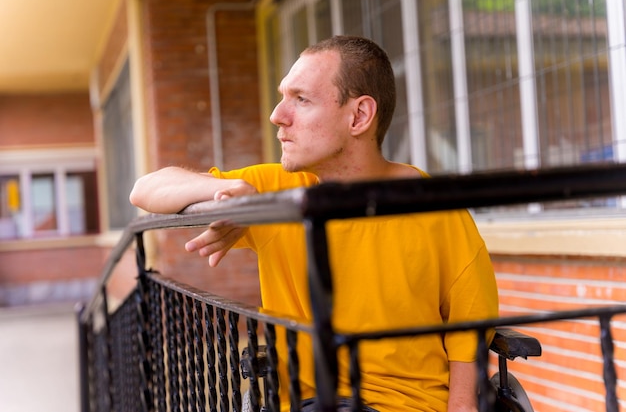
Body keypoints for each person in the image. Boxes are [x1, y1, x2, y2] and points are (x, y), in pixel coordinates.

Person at [130, 35, 499, 412]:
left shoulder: (438, 209)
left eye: (301, 99)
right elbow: (146, 189)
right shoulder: (277, 190)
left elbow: (470, 329)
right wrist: (229, 189)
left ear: (358, 116)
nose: (277, 114)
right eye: (283, 96)